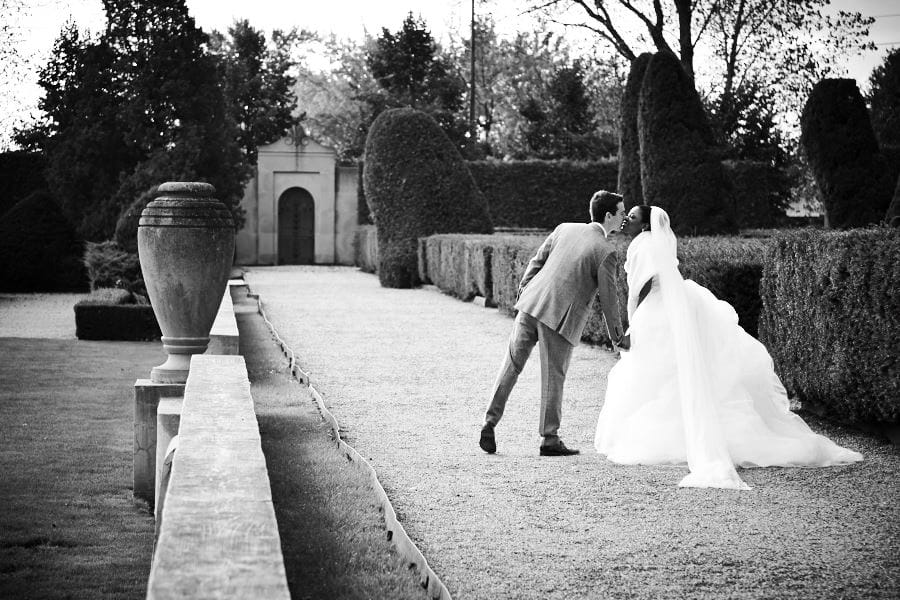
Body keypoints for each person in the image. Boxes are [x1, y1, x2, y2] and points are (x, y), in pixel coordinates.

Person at [594, 205, 863, 489]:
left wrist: (633, 320)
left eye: (633, 217)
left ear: (646, 225)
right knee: (672, 367)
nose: (626, 220)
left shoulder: (643, 244)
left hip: (655, 309)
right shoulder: (653, 241)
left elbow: (642, 286)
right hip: (672, 304)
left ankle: (673, 433)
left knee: (656, 368)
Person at [480, 190, 627, 457]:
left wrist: (524, 292)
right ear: (608, 216)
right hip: (560, 319)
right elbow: (609, 301)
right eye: (621, 213)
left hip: (530, 306)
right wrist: (618, 337)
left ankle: (488, 423)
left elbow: (536, 262)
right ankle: (549, 439)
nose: (624, 217)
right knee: (553, 378)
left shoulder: (564, 229)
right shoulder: (606, 250)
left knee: (510, 366)